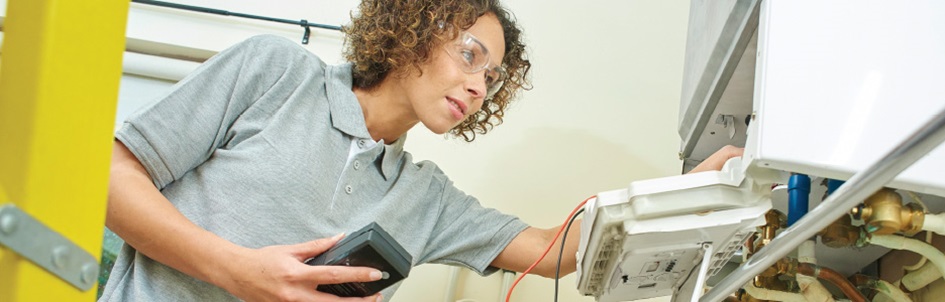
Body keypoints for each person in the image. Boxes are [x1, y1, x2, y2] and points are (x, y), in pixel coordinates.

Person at [101, 0, 745, 301]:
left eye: (492, 77)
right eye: (470, 54)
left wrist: (696, 189)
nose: (478, 84)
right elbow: (107, 174)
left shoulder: (425, 198)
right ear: (410, 31)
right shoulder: (274, 73)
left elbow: (562, 250)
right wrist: (236, 269)